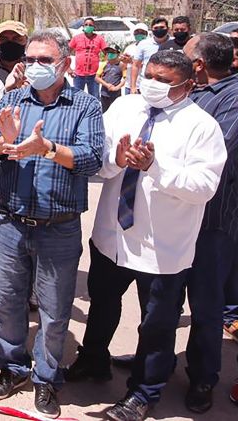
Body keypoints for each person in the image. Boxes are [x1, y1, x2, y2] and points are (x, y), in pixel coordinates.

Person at [64, 51, 226, 421]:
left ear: (187, 85)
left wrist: (155, 167)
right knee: (102, 305)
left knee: (156, 323)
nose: (152, 83)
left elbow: (204, 186)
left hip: (162, 247)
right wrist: (117, 162)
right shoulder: (125, 109)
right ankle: (93, 359)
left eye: (164, 80)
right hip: (112, 237)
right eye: (150, 74)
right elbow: (99, 159)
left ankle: (144, 391)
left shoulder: (201, 126)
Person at [0, 30, 104, 418]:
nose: (34, 67)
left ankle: (47, 379)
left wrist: (46, 148)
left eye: (44, 60)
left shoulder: (85, 105)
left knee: (54, 308)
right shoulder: (13, 99)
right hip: (11, 222)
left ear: (64, 63)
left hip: (58, 225)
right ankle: (12, 367)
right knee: (8, 302)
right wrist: (4, 143)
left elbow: (92, 158)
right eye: (29, 60)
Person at [183, 33, 238, 413]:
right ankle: (155, 362)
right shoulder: (197, 91)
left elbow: (219, 152)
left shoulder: (233, 99)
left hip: (212, 220)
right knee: (163, 299)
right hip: (178, 216)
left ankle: (203, 377)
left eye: (185, 57)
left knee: (206, 304)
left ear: (199, 65)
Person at [0, 20, 28, 89]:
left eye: (16, 39)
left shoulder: (32, 66)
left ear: (26, 41)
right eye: (3, 39)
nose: (10, 43)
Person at [69, 17, 107, 98]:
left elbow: (107, 54)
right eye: (86, 24)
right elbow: (65, 53)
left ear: (94, 27)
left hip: (94, 75)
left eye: (90, 25)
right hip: (78, 75)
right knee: (77, 98)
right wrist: (68, 68)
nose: (88, 26)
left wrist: (105, 69)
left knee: (94, 98)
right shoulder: (76, 38)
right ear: (83, 26)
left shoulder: (99, 39)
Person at [130, 17, 169, 92]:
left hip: (166, 86)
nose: (159, 30)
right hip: (147, 85)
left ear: (168, 28)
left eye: (162, 27)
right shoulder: (143, 44)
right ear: (152, 29)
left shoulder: (173, 43)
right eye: (156, 28)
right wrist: (133, 86)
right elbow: (135, 65)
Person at [96, 44, 126, 111]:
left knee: (115, 111)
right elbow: (97, 77)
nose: (110, 54)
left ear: (117, 54)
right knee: (105, 111)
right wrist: (106, 85)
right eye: (108, 52)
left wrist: (117, 87)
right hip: (104, 93)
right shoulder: (104, 64)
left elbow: (125, 78)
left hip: (116, 94)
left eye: (112, 52)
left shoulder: (121, 65)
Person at [122, 23, 149, 94]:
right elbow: (123, 68)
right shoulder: (129, 48)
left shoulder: (149, 48)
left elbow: (147, 66)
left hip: (143, 86)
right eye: (137, 32)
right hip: (129, 85)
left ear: (146, 34)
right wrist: (124, 61)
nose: (139, 34)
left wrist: (131, 61)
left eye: (141, 32)